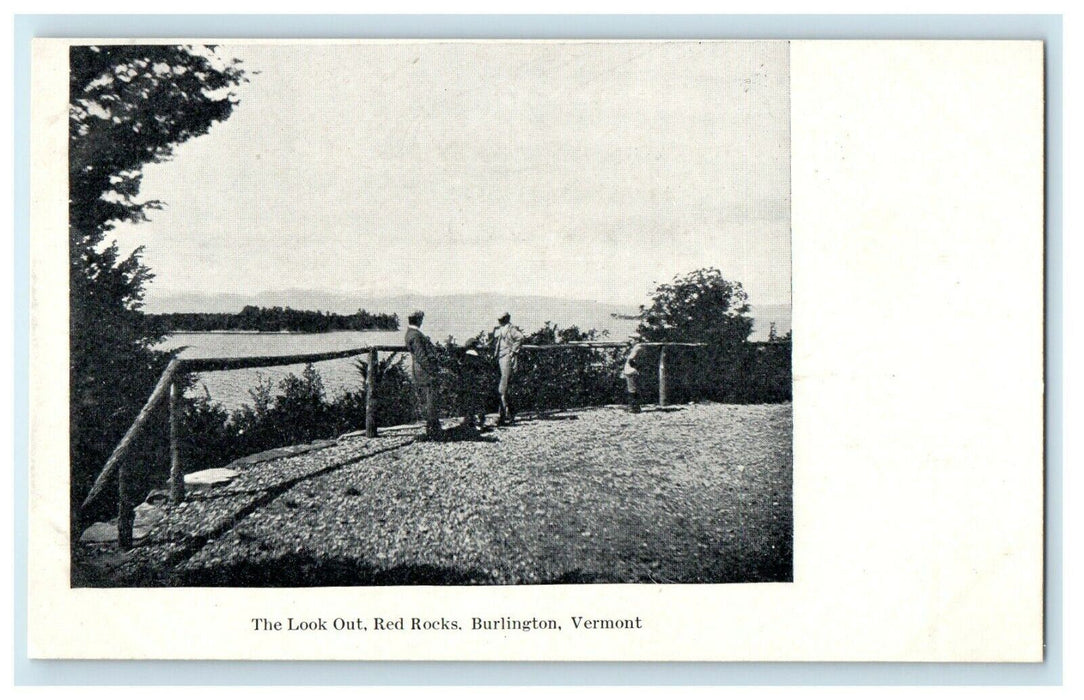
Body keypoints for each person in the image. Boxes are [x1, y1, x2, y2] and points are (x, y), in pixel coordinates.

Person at [404, 310, 443, 440]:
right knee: (431, 401)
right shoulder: (415, 335)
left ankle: (433, 428)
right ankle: (432, 431)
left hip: (422, 371)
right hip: (424, 372)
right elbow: (422, 357)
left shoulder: (412, 333)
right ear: (419, 320)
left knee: (430, 401)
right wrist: (433, 371)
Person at [492, 312, 525, 425]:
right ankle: (505, 414)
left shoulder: (510, 329)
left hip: (506, 358)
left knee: (503, 388)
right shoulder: (502, 329)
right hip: (500, 358)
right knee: (502, 389)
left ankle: (506, 415)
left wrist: (513, 352)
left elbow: (520, 338)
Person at [458, 339, 489, 429]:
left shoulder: (463, 359)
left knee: (468, 403)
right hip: (478, 385)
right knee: (478, 403)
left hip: (465, 385)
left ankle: (469, 421)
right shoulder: (480, 359)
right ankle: (479, 422)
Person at [622, 342, 646, 413]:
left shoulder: (637, 347)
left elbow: (631, 358)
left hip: (630, 370)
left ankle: (633, 408)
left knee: (632, 390)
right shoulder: (639, 347)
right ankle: (636, 407)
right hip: (632, 370)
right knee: (634, 389)